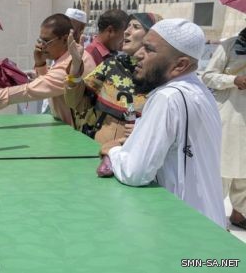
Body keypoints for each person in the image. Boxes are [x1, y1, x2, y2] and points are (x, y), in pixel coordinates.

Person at [101, 18, 226, 228]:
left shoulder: (168, 97)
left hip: (184, 227)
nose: (139, 55)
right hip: (210, 224)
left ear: (180, 65)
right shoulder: (201, 91)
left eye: (149, 50)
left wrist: (111, 152)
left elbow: (135, 173)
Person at [0, 14, 96, 126]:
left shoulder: (72, 62)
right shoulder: (67, 57)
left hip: (79, 134)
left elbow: (31, 90)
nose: (42, 46)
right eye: (40, 41)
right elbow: (48, 86)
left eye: (47, 41)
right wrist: (40, 64)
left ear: (65, 39)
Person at [65, 13, 161, 144]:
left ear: (152, 36)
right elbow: (76, 102)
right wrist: (75, 68)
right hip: (97, 154)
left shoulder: (162, 79)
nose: (127, 32)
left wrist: (145, 130)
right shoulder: (111, 66)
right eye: (127, 26)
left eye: (136, 27)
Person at [201, 27, 246, 229]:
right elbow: (208, 76)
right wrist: (233, 80)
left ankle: (239, 214)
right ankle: (212, 217)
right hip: (228, 116)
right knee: (222, 166)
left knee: (243, 170)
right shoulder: (230, 45)